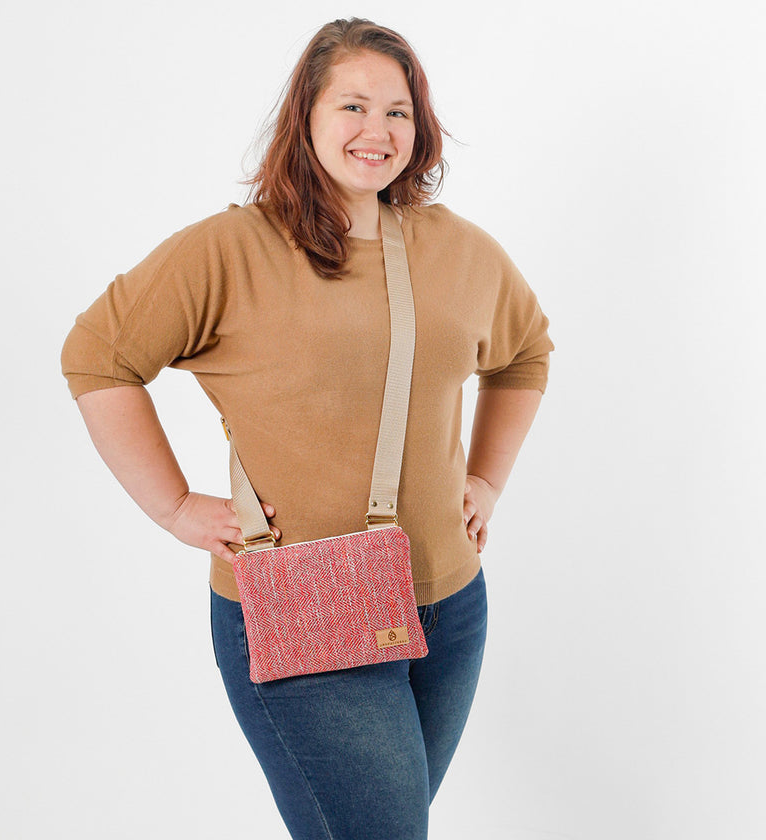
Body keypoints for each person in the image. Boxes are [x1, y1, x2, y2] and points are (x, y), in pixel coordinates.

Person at [61, 17, 554, 840]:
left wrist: (486, 480)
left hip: (450, 605)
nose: (378, 130)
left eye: (399, 111)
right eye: (353, 105)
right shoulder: (230, 250)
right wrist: (174, 507)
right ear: (307, 116)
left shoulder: (460, 250)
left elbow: (526, 352)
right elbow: (97, 356)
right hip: (306, 607)